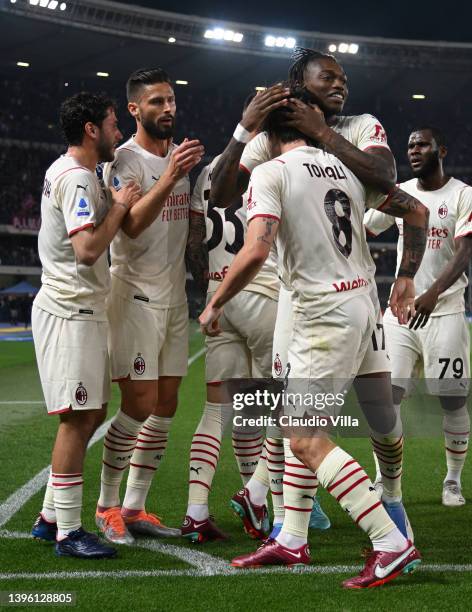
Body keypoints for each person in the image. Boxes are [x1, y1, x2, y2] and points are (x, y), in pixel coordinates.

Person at [199, 97, 428, 588]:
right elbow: (417, 210)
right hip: (362, 305)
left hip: (319, 313)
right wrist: (404, 277)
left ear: (265, 134)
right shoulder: (346, 169)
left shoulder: (271, 172)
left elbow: (257, 247)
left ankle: (390, 541)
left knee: (303, 436)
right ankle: (292, 536)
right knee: (293, 422)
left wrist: (215, 301)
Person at [95, 68, 204, 544]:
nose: (168, 109)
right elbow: (132, 226)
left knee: (166, 403)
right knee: (137, 403)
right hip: (134, 294)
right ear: (135, 110)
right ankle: (106, 505)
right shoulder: (124, 160)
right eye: (157, 102)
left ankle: (136, 506)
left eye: (172, 100)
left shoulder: (177, 157)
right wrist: (174, 175)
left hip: (174, 297)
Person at [31, 92, 140, 558]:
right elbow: (87, 251)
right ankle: (69, 532)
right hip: (69, 310)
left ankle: (50, 516)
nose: (118, 132)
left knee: (93, 411)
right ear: (92, 129)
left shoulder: (76, 172)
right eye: (114, 124)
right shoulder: (76, 178)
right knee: (77, 421)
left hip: (85, 309)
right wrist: (119, 205)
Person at [182, 114, 280, 541]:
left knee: (218, 410)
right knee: (281, 407)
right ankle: (265, 497)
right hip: (266, 295)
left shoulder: (211, 171)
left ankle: (196, 511)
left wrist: (211, 294)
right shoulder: (277, 165)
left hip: (221, 296)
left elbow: (193, 241)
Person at [365, 127, 472, 506]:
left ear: (440, 150)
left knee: (452, 400)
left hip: (446, 311)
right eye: (409, 144)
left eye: (421, 144)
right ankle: (384, 480)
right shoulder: (401, 194)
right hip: (401, 314)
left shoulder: (462, 194)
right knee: (385, 397)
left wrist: (432, 293)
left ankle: (452, 481)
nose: (413, 150)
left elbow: (465, 251)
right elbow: (363, 227)